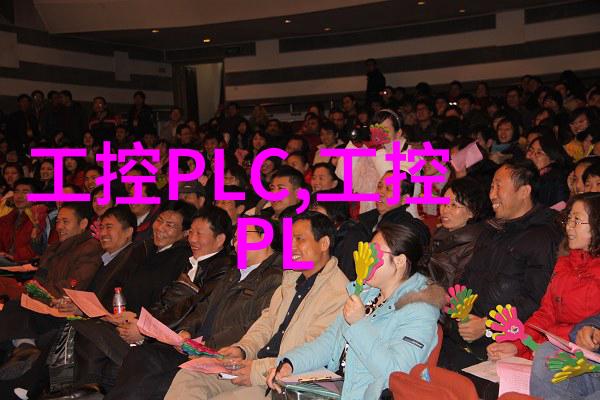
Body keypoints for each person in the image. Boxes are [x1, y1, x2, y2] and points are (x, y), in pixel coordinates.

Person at [164, 211, 349, 399]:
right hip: (256, 363)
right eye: (289, 239)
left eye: (299, 239)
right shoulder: (291, 279)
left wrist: (255, 369)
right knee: (189, 377)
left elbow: (308, 355)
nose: (291, 246)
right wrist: (242, 350)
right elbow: (266, 323)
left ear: (324, 243)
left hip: (283, 381)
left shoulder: (338, 294)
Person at [105, 218, 282, 400]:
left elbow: (254, 325)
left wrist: (206, 346)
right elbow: (204, 307)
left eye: (242, 236)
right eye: (235, 238)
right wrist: (186, 330)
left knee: (155, 380)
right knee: (143, 355)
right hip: (196, 347)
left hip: (223, 352)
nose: (236, 243)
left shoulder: (276, 278)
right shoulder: (233, 272)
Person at [267, 220, 446, 399]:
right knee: (280, 388)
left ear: (399, 261)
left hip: (366, 394)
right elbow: (329, 342)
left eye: (373, 253)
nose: (365, 258)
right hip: (338, 387)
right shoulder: (367, 294)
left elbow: (395, 373)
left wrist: (359, 323)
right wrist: (291, 363)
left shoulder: (419, 309)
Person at [439, 159, 563, 398]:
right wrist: (460, 310)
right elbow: (467, 277)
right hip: (464, 333)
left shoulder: (543, 237)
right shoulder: (492, 229)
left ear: (524, 191)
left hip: (500, 343)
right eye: (491, 187)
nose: (492, 194)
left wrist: (486, 324)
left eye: (498, 186)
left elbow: (535, 300)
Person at [486, 193, 600, 399]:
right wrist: (518, 345)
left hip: (581, 362)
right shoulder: (564, 263)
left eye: (577, 220)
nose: (569, 227)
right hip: (548, 353)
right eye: (568, 219)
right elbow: (546, 314)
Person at [427, 177, 493, 287]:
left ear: (472, 212)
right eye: (444, 203)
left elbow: (459, 288)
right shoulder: (440, 232)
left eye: (454, 205)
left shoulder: (475, 246)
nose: (445, 210)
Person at [0, 178, 47, 264]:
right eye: (16, 192)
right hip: (6, 259)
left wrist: (14, 257)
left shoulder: (39, 216)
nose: (19, 196)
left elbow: (37, 248)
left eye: (25, 192)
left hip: (25, 262)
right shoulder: (8, 217)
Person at [526, 135, 571, 207]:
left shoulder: (555, 180)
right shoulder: (528, 173)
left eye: (539, 153)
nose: (531, 156)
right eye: (531, 150)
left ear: (552, 158)